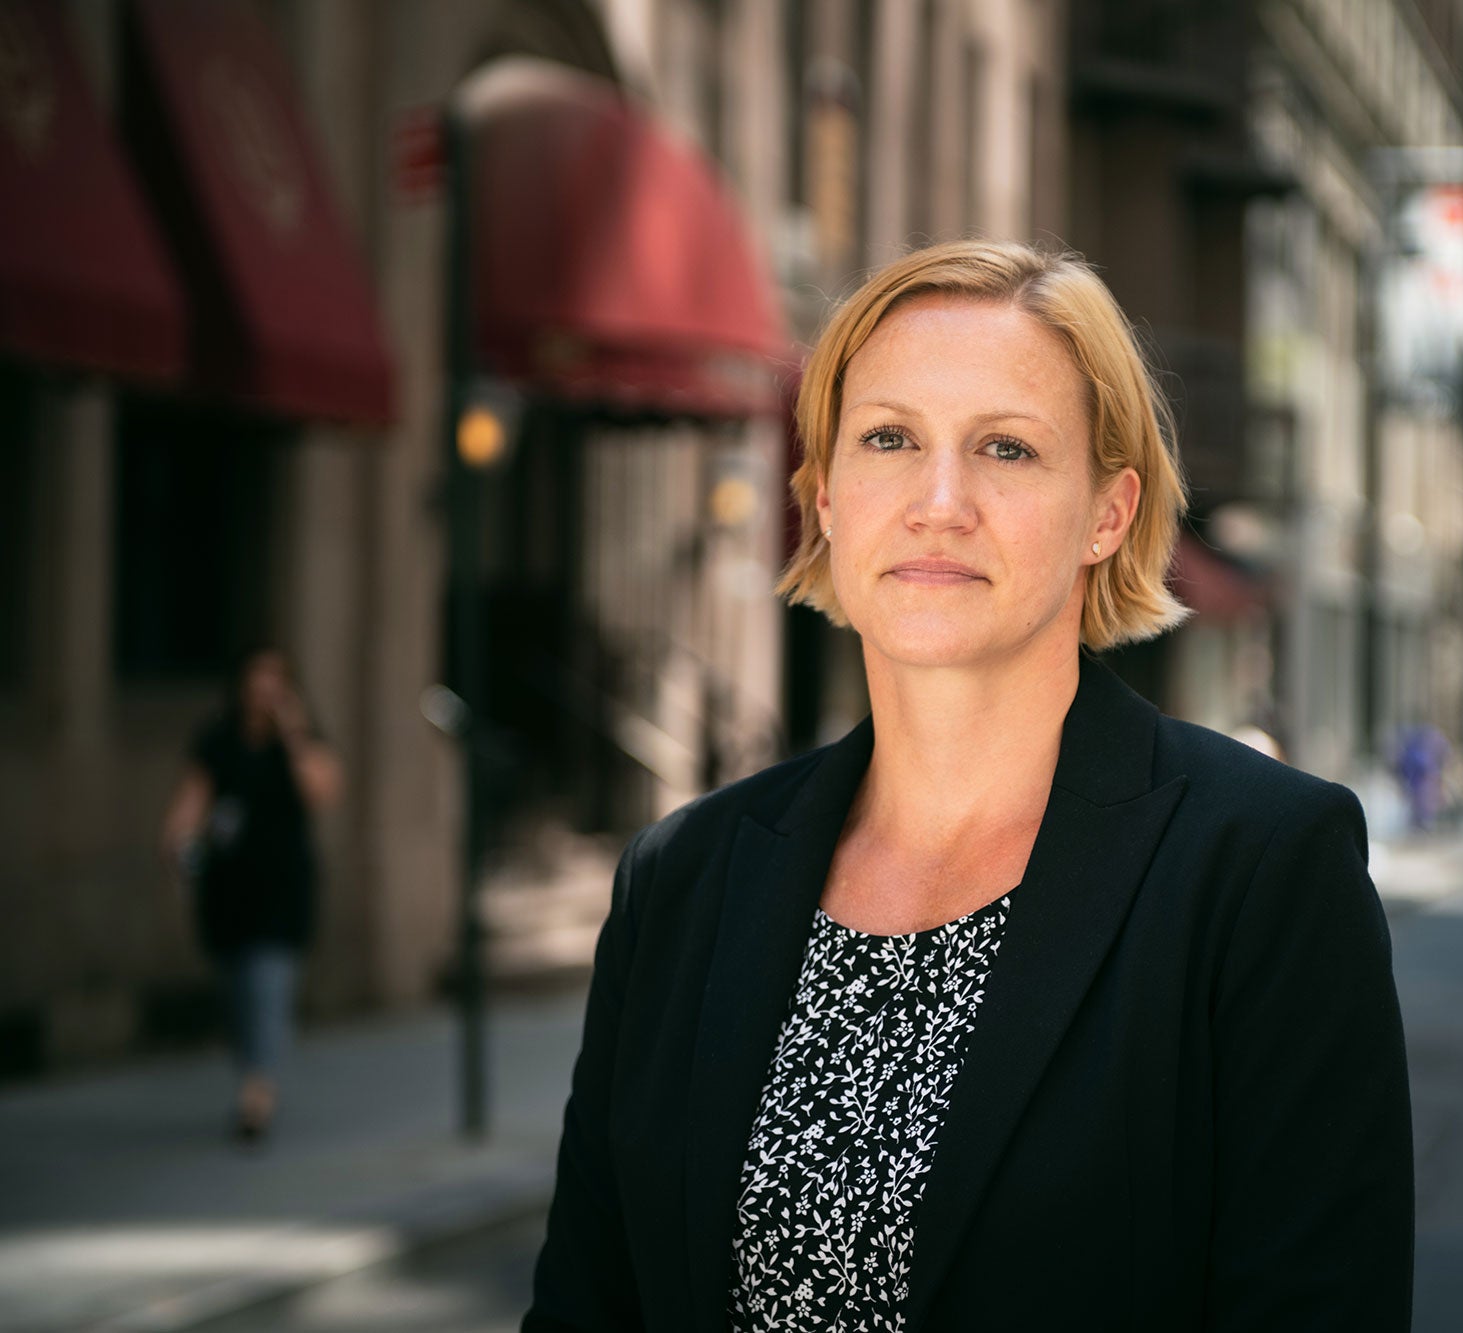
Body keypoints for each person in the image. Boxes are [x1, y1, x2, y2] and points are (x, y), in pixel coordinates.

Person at [524, 240, 1412, 1332]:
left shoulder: (1262, 870)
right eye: (888, 439)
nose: (938, 502)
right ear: (825, 495)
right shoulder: (682, 880)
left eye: (1006, 448)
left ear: (1107, 513)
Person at [160, 647, 342, 1143]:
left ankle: (256, 1097)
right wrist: (177, 840)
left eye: (274, 684)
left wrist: (295, 735)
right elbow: (192, 801)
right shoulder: (219, 741)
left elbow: (322, 792)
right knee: (237, 996)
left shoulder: (300, 742)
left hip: (282, 891)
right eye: (256, 682)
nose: (264, 694)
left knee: (268, 988)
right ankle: (252, 1073)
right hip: (228, 891)